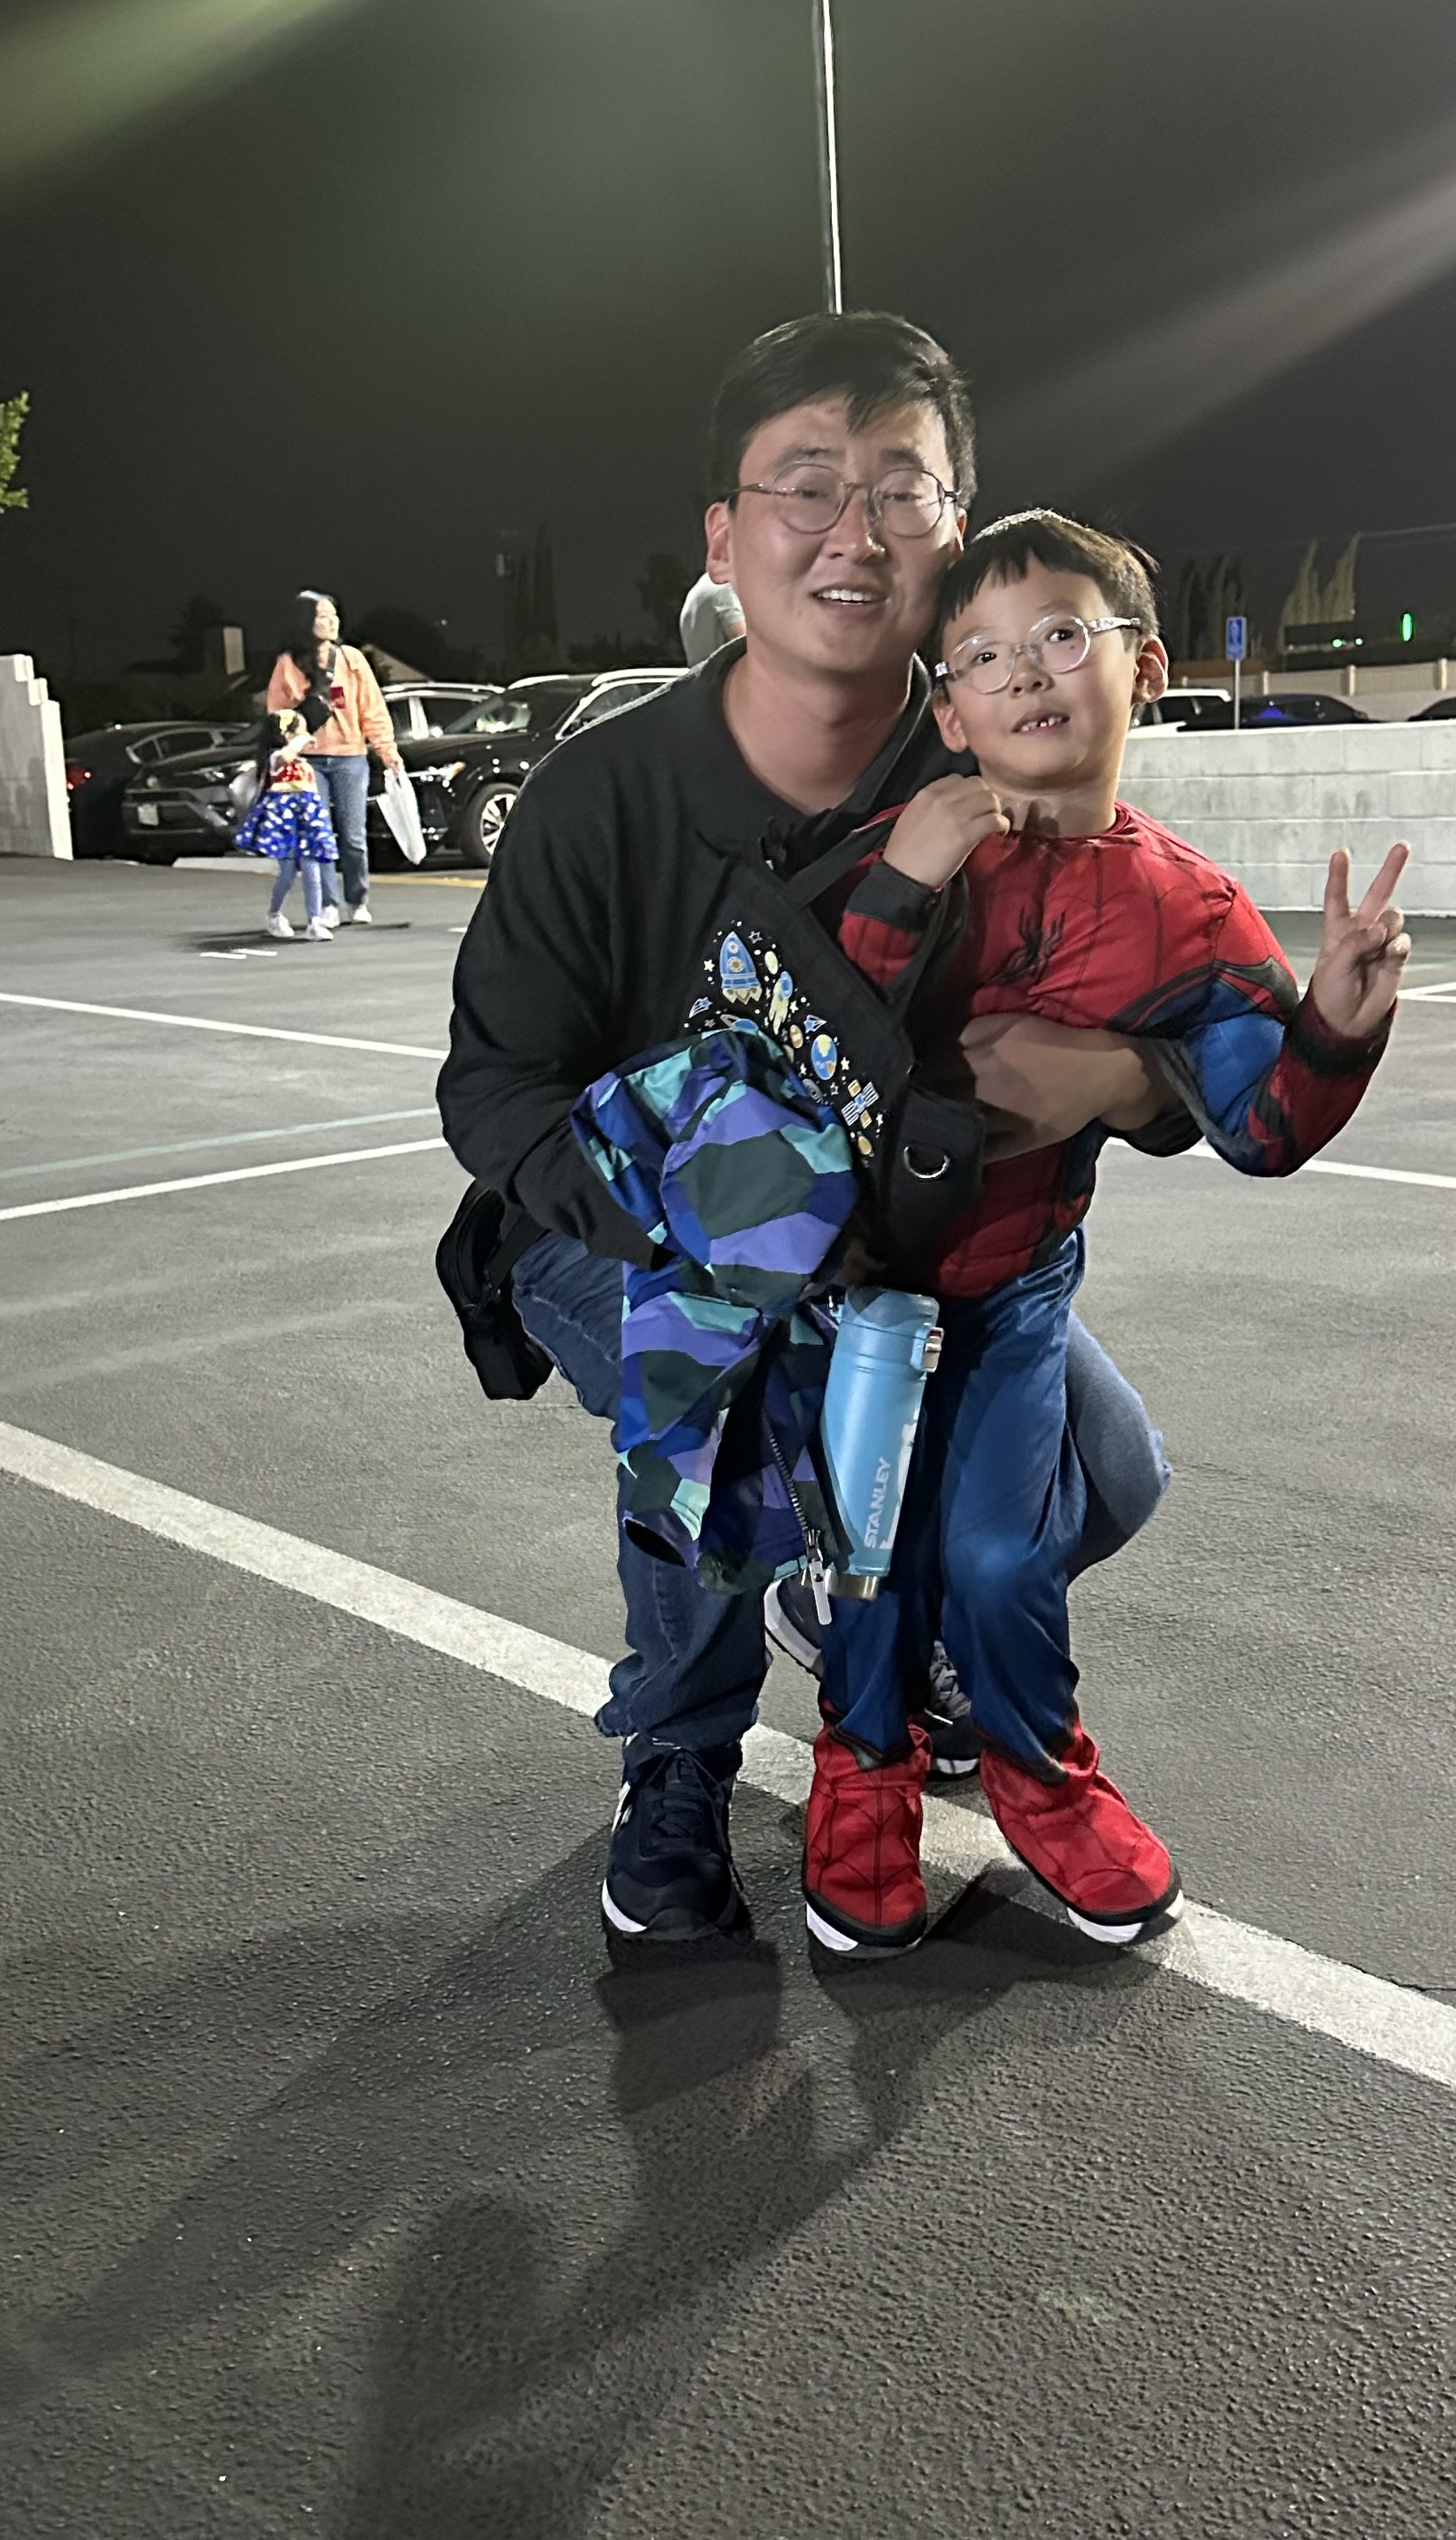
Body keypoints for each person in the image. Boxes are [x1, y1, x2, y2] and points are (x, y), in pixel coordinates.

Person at [439, 312, 1184, 1947]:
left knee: (1110, 1473)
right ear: (725, 538)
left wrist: (1131, 1085)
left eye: (900, 492)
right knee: (740, 1430)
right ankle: (680, 1750)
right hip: (621, 1222)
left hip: (903, 1248)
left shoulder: (988, 752)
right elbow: (493, 1089)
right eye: (804, 487)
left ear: (954, 534)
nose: (854, 533)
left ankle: (889, 1622)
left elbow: (1158, 985)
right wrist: (715, 1224)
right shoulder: (603, 799)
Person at [797, 510, 1410, 1957]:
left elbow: (1261, 1126)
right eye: (982, 655)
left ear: (1145, 665)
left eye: (1062, 634)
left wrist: (1335, 1026)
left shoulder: (1185, 908)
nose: (1024, 672)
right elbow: (797, 1055)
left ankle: (1041, 1781)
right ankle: (861, 1777)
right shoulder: (895, 848)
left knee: (1001, 1559)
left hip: (1012, 1292)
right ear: (948, 708)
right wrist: (899, 890)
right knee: (869, 1554)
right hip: (847, 1291)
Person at [265, 590, 401, 926]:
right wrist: (287, 747)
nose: (331, 622)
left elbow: (372, 709)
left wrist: (387, 750)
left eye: (333, 615)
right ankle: (328, 904)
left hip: (350, 758)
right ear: (306, 622)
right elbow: (276, 715)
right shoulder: (289, 664)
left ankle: (357, 899)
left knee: (354, 837)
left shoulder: (352, 659)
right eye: (322, 616)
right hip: (309, 762)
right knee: (320, 834)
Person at [235, 694, 339, 940]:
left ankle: (315, 921)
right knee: (288, 873)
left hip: (307, 820)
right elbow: (285, 757)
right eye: (300, 730)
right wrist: (299, 742)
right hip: (285, 822)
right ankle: (274, 914)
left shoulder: (304, 764)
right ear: (287, 735)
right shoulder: (276, 759)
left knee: (312, 869)